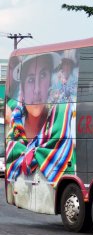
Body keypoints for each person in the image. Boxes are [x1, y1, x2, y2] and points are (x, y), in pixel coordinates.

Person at [5, 53, 76, 214]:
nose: (37, 90)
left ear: (50, 83)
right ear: (22, 88)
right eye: (30, 80)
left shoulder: (62, 131)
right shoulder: (14, 136)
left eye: (43, 76)